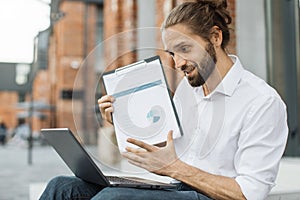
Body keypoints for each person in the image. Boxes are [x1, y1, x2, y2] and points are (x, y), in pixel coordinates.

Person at [40, 0, 288, 199]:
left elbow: (249, 193)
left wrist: (173, 168)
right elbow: (168, 146)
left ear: (215, 37)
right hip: (175, 187)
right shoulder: (187, 90)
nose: (178, 63)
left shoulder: (262, 102)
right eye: (172, 53)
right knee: (63, 187)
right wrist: (123, 121)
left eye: (185, 49)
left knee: (113, 198)